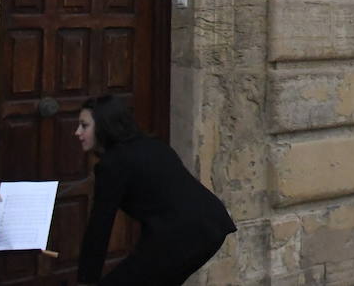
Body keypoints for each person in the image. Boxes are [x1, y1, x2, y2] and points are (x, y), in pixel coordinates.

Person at [74, 95, 235, 286]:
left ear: (103, 125)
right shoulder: (151, 145)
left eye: (84, 126)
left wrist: (85, 280)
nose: (77, 132)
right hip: (211, 226)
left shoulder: (113, 164)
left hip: (184, 234)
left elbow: (100, 226)